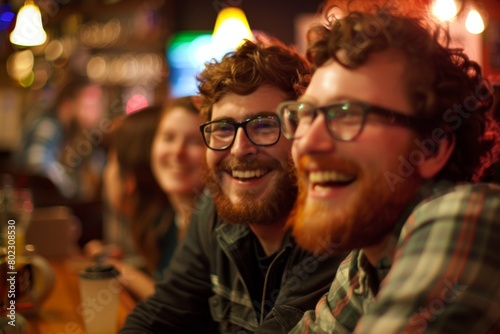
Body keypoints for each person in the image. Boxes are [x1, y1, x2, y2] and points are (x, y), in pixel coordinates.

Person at [275, 2, 500, 333]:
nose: (307, 143)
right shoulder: (364, 265)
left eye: (348, 113)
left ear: (432, 147)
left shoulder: (473, 213)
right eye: (305, 115)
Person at [120, 38, 346, 333]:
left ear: (303, 134)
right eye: (224, 129)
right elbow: (160, 314)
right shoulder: (212, 211)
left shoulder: (332, 229)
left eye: (264, 125)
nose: (240, 149)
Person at [86, 98, 206, 300]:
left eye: (195, 141)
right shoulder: (171, 221)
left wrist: (119, 269)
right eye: (168, 138)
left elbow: (178, 307)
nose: (178, 152)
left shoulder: (210, 228)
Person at [16, 76, 106, 201]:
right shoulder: (47, 126)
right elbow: (37, 165)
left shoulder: (74, 133)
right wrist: (73, 191)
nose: (96, 113)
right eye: (89, 106)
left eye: (97, 106)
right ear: (68, 105)